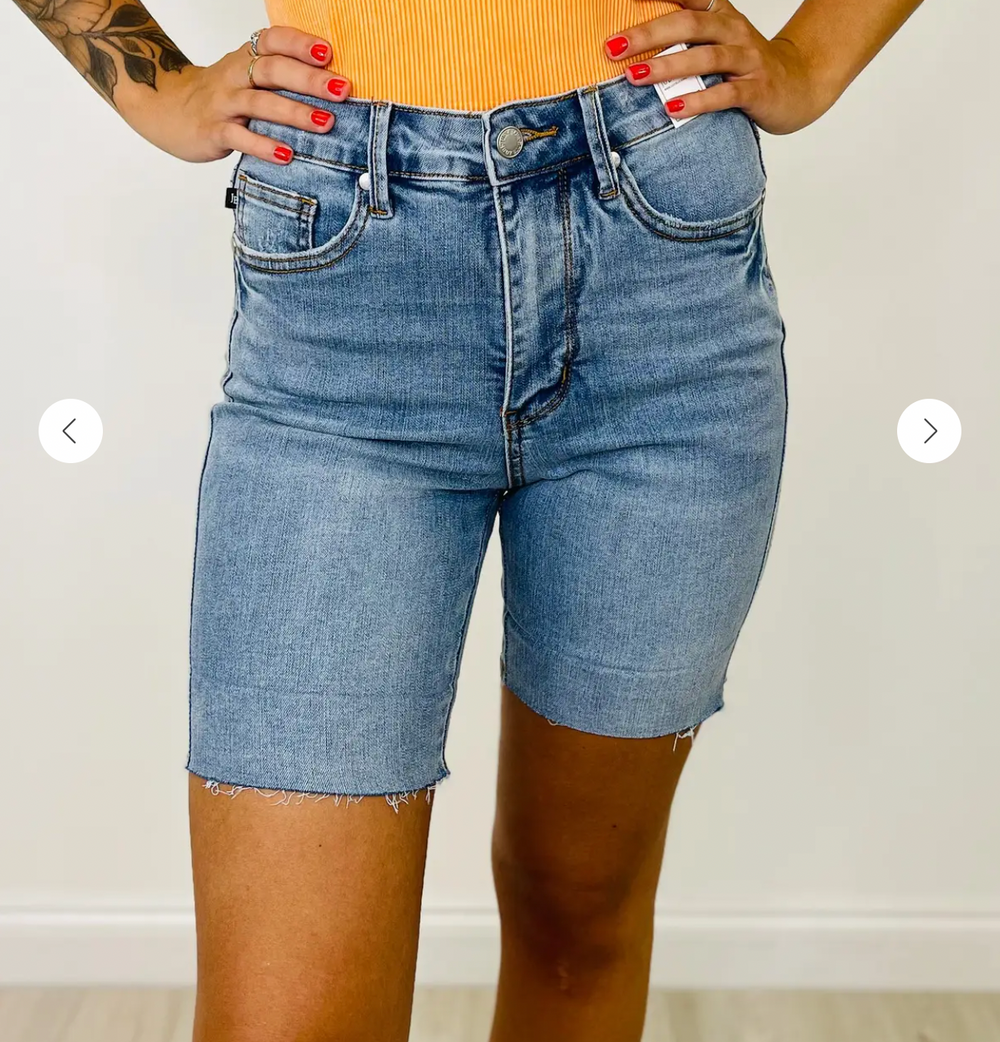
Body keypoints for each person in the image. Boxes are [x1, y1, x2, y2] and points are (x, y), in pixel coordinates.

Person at [12, 1, 926, 1039]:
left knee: (577, 920)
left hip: (662, 262)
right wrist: (160, 88)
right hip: (343, 279)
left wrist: (808, 62)